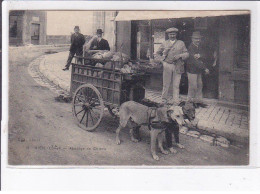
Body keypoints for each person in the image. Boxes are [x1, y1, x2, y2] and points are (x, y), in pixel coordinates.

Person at [155, 27, 189, 105]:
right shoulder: (164, 43)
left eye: (174, 34)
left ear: (176, 34)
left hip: (178, 66)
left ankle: (176, 100)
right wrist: (162, 61)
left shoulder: (181, 43)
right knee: (166, 84)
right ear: (168, 35)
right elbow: (157, 54)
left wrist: (180, 55)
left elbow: (187, 54)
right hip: (167, 65)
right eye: (170, 34)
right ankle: (164, 100)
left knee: (176, 85)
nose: (172, 35)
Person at [186, 31, 210, 103]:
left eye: (199, 39)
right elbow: (194, 61)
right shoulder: (190, 47)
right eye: (196, 39)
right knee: (193, 86)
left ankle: (198, 101)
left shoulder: (200, 46)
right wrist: (205, 68)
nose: (198, 40)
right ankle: (190, 101)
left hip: (198, 70)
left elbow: (205, 55)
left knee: (200, 85)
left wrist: (200, 55)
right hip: (191, 70)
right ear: (192, 39)